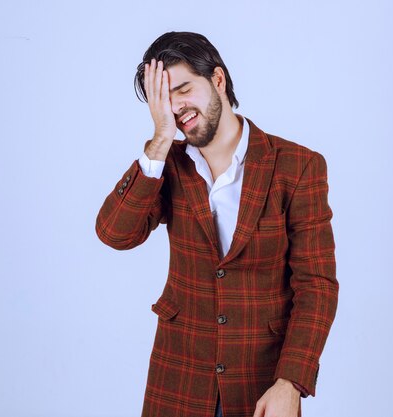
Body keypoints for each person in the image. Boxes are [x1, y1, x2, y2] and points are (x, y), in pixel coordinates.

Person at [96, 31, 338, 417]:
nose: (176, 106)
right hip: (178, 380)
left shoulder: (298, 166)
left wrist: (291, 382)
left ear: (218, 80)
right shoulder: (166, 167)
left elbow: (316, 286)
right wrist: (159, 141)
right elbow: (115, 234)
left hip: (261, 383)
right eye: (163, 98)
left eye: (183, 88)